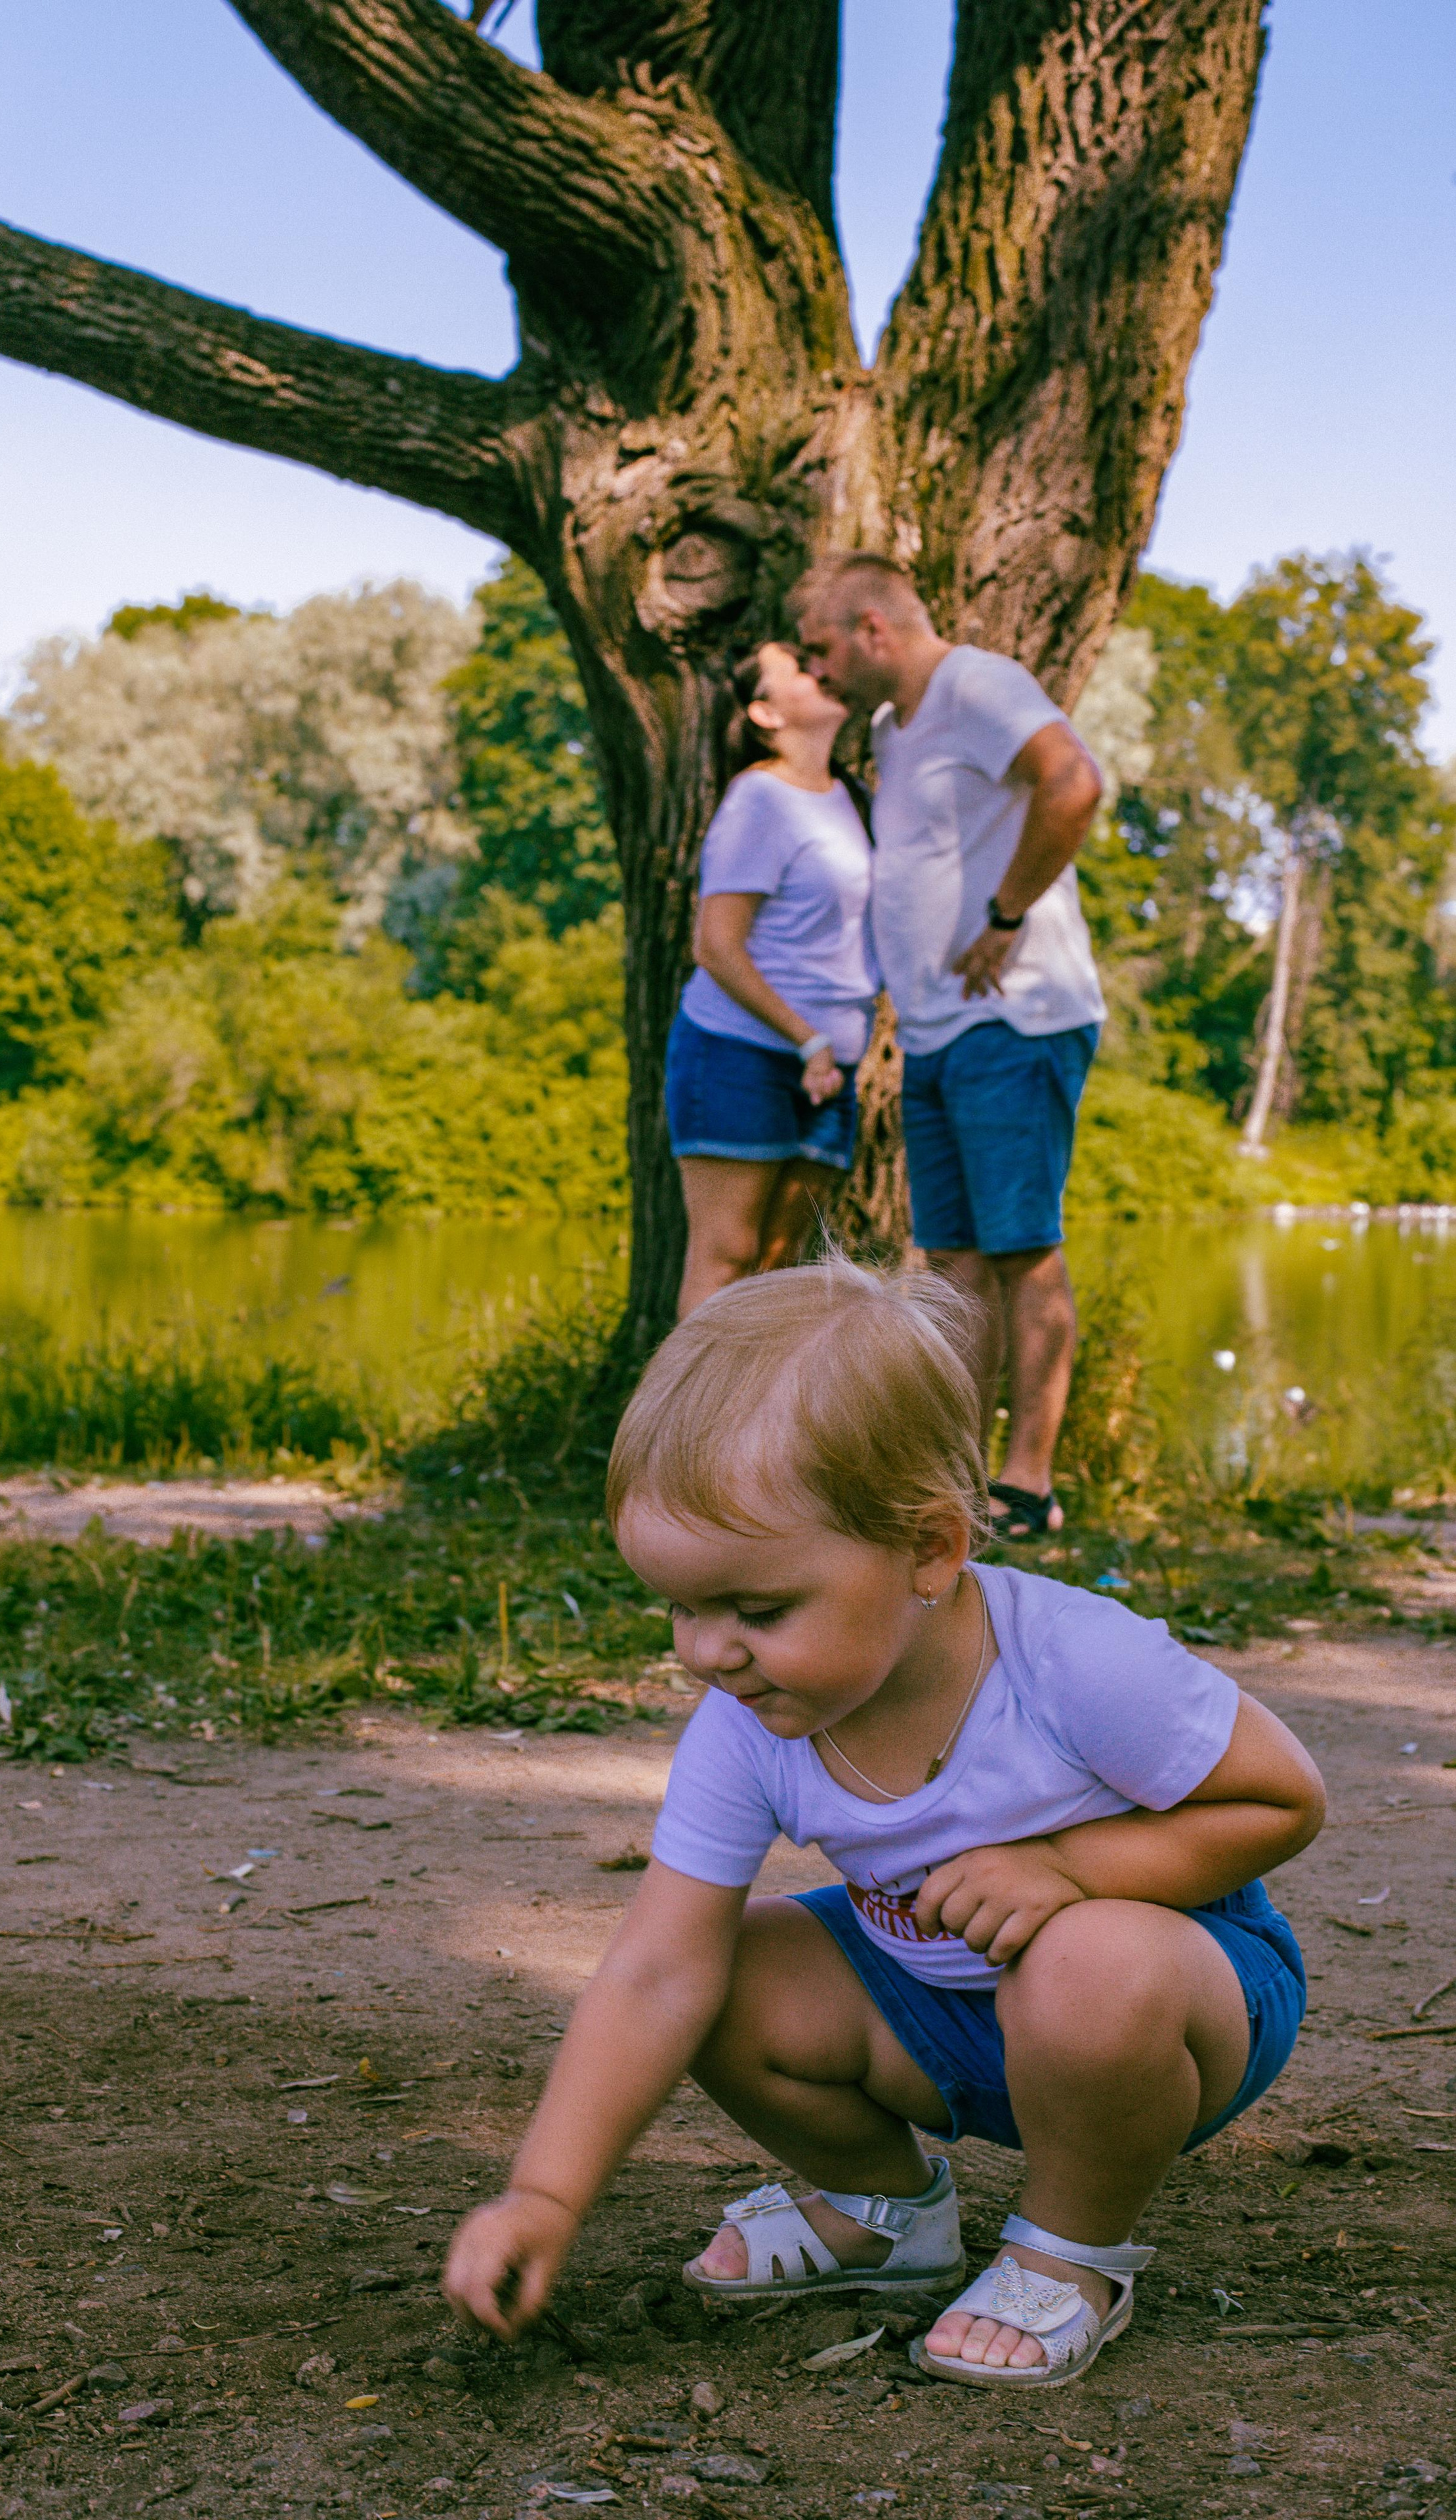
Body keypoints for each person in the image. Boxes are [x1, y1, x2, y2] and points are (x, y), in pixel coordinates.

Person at [443, 1261, 1321, 2389]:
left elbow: (1286, 1796)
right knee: (719, 1974)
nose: (710, 1652)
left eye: (759, 1610)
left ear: (930, 1550)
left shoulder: (1074, 1665)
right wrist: (544, 2195)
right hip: (936, 2006)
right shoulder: (748, 1720)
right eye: (681, 1607)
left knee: (1092, 1960)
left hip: (1175, 2004)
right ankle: (887, 2210)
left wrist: (1069, 1867)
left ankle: (1071, 2250)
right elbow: (655, 1974)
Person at [793, 555, 1106, 1541]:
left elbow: (1073, 783)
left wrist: (1008, 914)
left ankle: (1027, 1485)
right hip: (935, 1030)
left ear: (874, 626)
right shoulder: (892, 730)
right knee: (954, 1264)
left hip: (1013, 1017)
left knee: (1022, 1251)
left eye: (820, 646)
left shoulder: (979, 684)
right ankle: (957, 1482)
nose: (815, 672)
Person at [666, 641, 879, 1317]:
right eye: (795, 667)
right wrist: (806, 1037)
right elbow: (716, 946)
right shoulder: (759, 798)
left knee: (781, 1272)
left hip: (829, 1071)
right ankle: (685, 1427)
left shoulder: (853, 798)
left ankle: (755, 1427)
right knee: (726, 1257)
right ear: (764, 711)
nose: (818, 669)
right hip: (739, 1054)